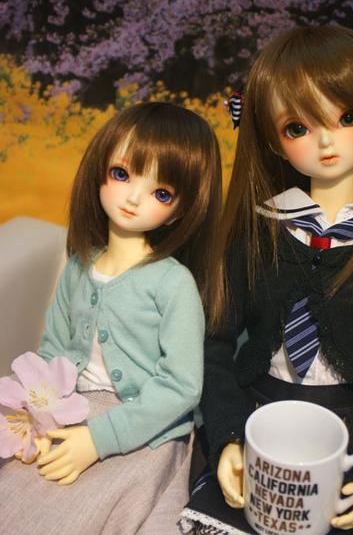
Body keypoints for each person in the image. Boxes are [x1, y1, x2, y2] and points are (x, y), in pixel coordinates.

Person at [181, 25, 353, 534]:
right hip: (257, 422)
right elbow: (213, 343)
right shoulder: (259, 234)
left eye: (347, 118)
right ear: (274, 140)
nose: (326, 141)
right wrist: (229, 435)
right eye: (298, 127)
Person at [0, 101, 222, 534]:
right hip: (70, 407)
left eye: (161, 193)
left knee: (101, 511)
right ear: (99, 169)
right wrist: (38, 410)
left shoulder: (173, 284)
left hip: (145, 425)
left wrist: (100, 439)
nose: (133, 198)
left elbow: (180, 386)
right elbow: (53, 348)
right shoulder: (80, 265)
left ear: (181, 209)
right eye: (121, 174)